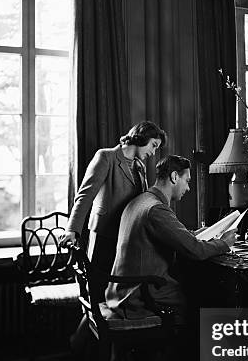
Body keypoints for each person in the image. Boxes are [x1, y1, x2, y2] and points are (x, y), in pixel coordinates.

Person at [106, 155, 236, 323]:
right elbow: (195, 250)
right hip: (140, 296)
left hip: (121, 290)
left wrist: (196, 233)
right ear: (174, 177)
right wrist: (224, 243)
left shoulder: (141, 201)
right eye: (187, 181)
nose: (188, 188)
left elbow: (171, 235)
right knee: (203, 297)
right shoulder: (156, 209)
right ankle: (188, 348)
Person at [61, 120, 166, 279]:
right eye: (153, 145)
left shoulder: (140, 167)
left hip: (126, 236)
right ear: (142, 138)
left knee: (116, 288)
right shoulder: (106, 156)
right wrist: (72, 229)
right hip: (103, 234)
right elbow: (85, 195)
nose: (153, 152)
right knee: (97, 286)